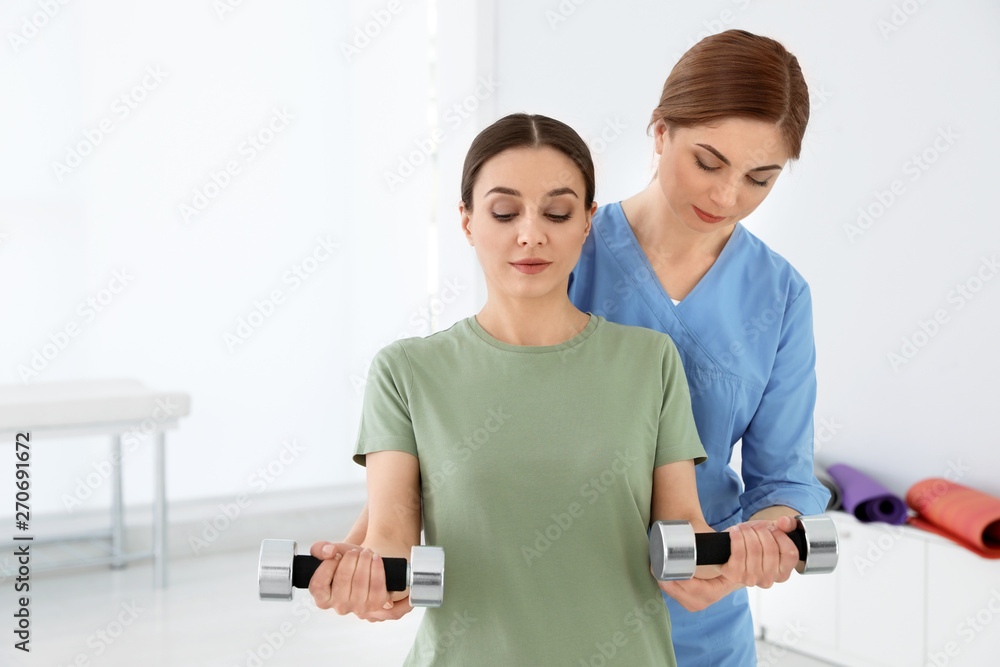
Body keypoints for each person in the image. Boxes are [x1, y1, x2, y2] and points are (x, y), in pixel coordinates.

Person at [307, 113, 715, 665]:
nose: (531, 234)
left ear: (587, 222)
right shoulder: (405, 371)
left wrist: (747, 549)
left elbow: (682, 533)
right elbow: (391, 537)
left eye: (557, 213)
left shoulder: (650, 361)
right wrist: (370, 580)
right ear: (467, 221)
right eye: (504, 212)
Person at [566, 29, 831, 665]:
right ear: (660, 132)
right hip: (562, 606)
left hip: (702, 620)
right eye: (708, 163)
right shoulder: (566, 252)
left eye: (759, 178)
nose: (727, 197)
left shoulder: (779, 294)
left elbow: (783, 478)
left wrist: (753, 549)